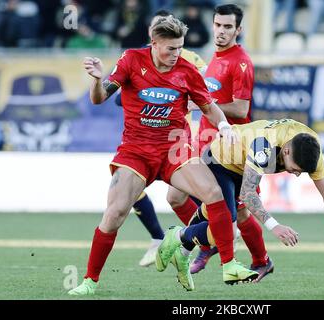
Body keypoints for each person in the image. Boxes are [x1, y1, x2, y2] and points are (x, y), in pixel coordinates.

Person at [68, 15, 257, 296]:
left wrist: (224, 125)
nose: (176, 54)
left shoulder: (187, 71)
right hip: (136, 153)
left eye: (180, 48)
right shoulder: (131, 59)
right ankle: (90, 281)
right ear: (154, 43)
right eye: (171, 49)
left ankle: (229, 264)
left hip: (174, 151)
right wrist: (96, 80)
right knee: (115, 214)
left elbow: (208, 106)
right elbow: (98, 98)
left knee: (214, 194)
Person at [157, 118, 324, 281]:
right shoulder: (264, 145)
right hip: (219, 160)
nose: (297, 174)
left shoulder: (311, 149)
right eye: (295, 169)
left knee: (225, 225)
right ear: (286, 151)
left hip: (244, 166)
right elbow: (248, 193)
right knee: (226, 234)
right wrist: (275, 226)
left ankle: (183, 249)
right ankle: (178, 236)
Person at [161, 3, 271, 278]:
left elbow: (242, 109)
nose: (221, 31)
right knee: (176, 196)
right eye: (218, 25)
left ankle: (260, 260)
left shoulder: (240, 62)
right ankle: (207, 242)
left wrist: (202, 105)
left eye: (228, 27)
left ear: (238, 30)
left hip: (232, 149)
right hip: (207, 144)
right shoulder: (215, 56)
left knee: (241, 213)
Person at [113, 9, 207, 269]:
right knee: (132, 193)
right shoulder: (137, 58)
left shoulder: (190, 60)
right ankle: (165, 237)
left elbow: (209, 95)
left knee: (189, 195)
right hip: (142, 137)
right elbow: (117, 97)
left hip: (177, 139)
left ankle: (208, 236)